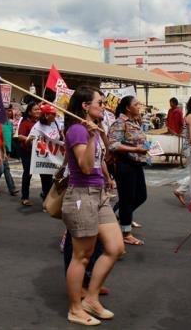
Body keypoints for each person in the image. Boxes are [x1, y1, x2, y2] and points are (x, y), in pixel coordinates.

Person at [62, 86, 123, 326]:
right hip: (81, 195)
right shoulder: (78, 130)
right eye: (100, 101)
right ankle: (75, 308)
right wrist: (89, 137)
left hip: (99, 195)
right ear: (85, 105)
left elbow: (102, 158)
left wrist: (99, 134)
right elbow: (86, 167)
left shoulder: (93, 129)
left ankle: (91, 298)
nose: (104, 105)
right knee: (82, 256)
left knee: (116, 247)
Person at [108, 95, 148, 246]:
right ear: (127, 107)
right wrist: (135, 149)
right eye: (136, 104)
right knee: (127, 198)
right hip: (124, 164)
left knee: (141, 196)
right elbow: (113, 145)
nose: (139, 106)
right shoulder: (120, 123)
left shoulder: (134, 122)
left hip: (136, 163)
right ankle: (125, 232)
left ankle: (118, 214)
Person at [30, 103, 64, 200]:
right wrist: (29, 140)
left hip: (55, 155)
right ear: (46, 115)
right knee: (46, 179)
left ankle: (48, 196)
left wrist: (62, 134)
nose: (55, 116)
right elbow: (31, 139)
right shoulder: (37, 127)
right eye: (52, 114)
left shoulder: (56, 122)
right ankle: (46, 199)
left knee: (57, 177)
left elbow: (59, 137)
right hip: (44, 157)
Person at [16, 101, 40, 206]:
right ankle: (25, 197)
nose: (38, 111)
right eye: (35, 109)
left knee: (44, 174)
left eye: (39, 109)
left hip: (39, 153)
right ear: (29, 112)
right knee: (28, 173)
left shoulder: (41, 123)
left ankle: (45, 194)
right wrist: (29, 139)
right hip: (27, 152)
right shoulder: (25, 123)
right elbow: (20, 136)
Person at [0, 106, 19, 196]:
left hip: (7, 149)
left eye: (10, 110)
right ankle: (11, 188)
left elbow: (10, 136)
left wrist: (9, 150)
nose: (9, 112)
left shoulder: (10, 123)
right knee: (3, 169)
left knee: (3, 168)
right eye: (7, 110)